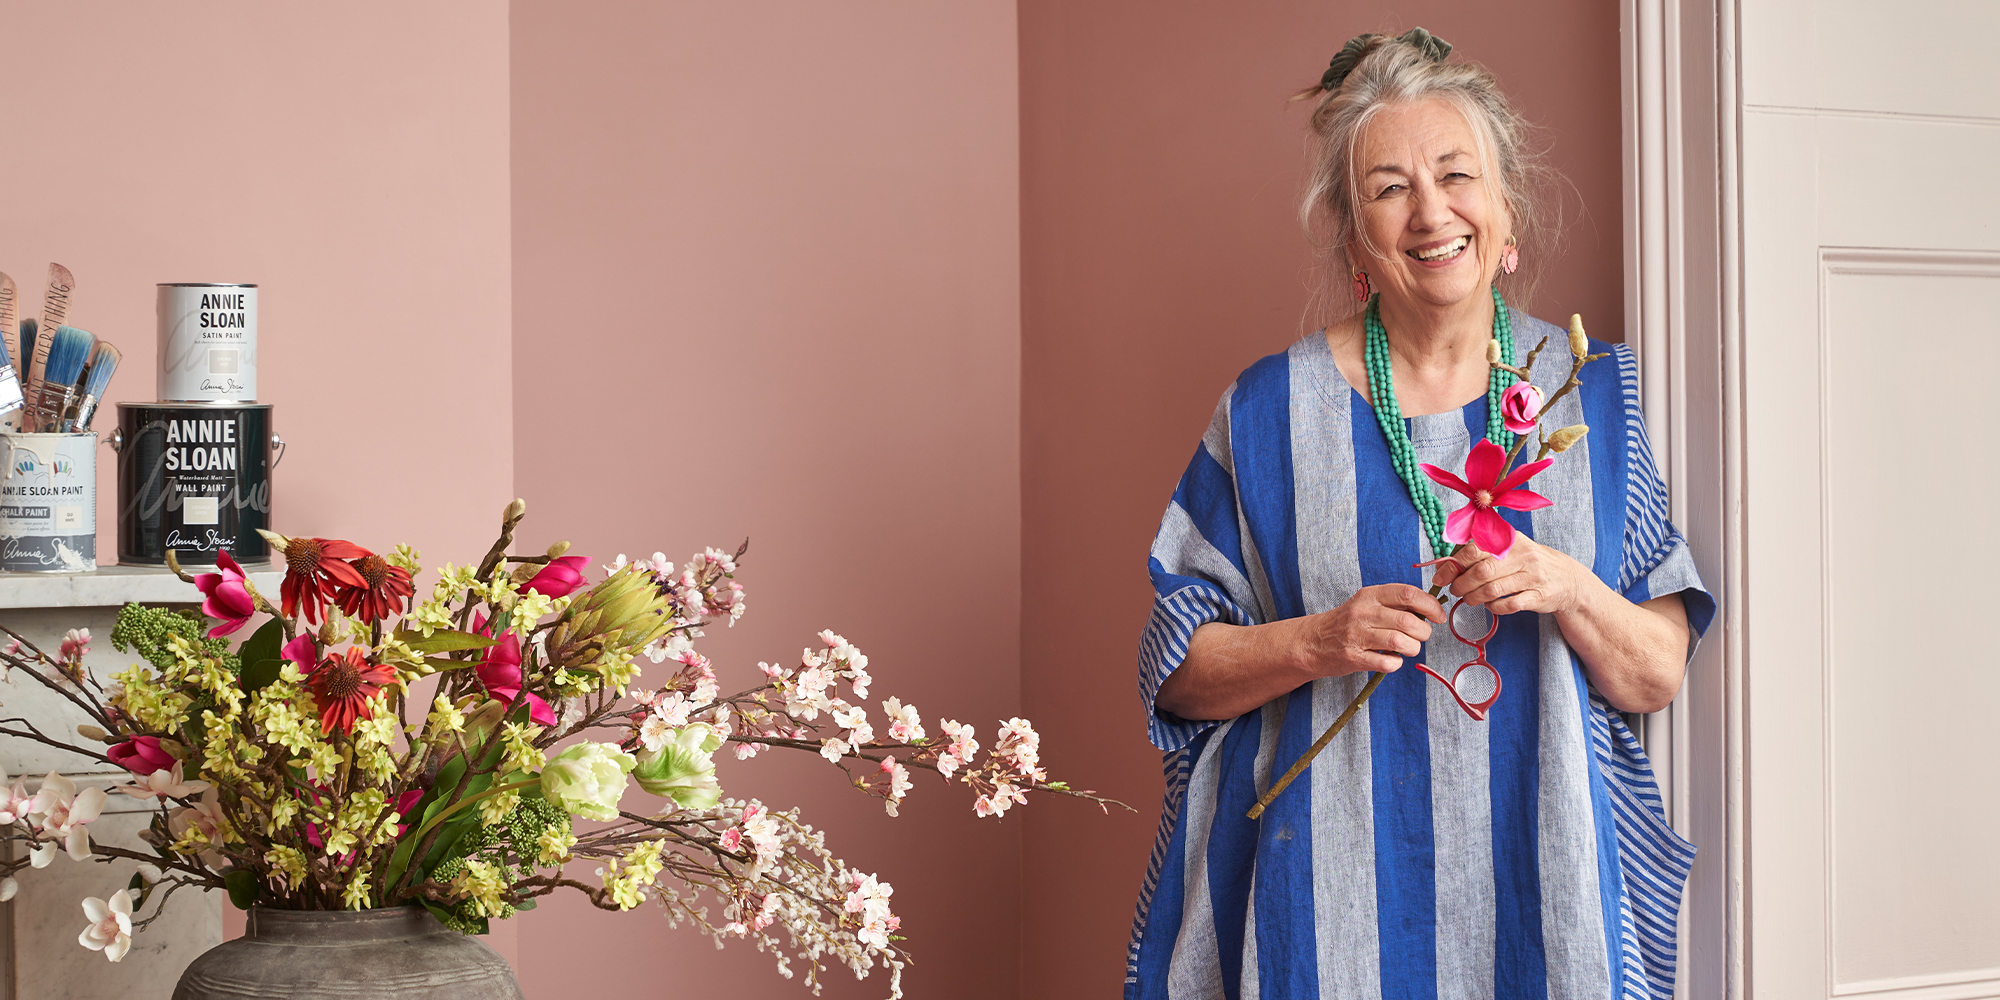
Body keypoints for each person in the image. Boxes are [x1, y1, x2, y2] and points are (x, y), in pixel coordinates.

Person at [1123, 29, 1715, 1000]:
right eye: (1388, 187)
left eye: (1454, 175)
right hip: (1324, 913)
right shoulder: (1265, 411)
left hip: (1544, 901)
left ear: (1504, 207)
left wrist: (1563, 582)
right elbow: (1176, 674)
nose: (1429, 211)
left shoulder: (1589, 393)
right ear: (1353, 237)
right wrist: (1318, 639)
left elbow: (1654, 670)